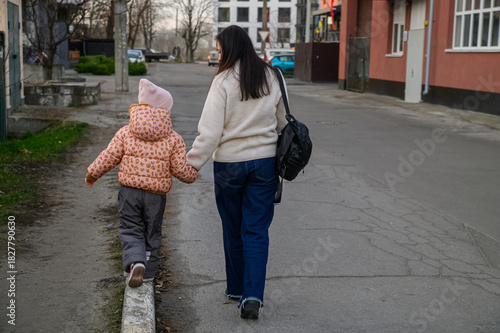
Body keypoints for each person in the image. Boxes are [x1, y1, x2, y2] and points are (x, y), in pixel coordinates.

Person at [186, 25, 287, 319]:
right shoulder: (271, 75)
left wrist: (191, 165)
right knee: (256, 230)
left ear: (229, 49)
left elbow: (210, 132)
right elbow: (282, 123)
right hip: (265, 164)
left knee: (233, 227)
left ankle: (235, 288)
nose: (219, 56)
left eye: (219, 51)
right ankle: (251, 296)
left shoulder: (223, 80)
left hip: (229, 165)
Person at [85, 79, 198, 288]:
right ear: (165, 111)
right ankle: (149, 273)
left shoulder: (126, 132)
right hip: (156, 196)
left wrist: (93, 173)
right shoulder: (174, 139)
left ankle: (136, 262)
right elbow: (181, 170)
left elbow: (109, 156)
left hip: (129, 193)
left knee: (130, 228)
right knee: (152, 232)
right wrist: (193, 174)